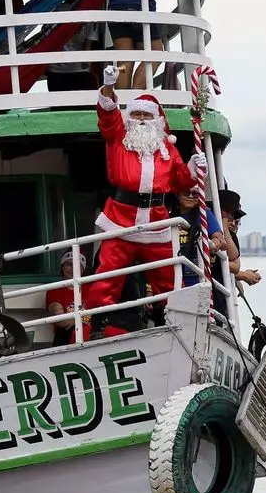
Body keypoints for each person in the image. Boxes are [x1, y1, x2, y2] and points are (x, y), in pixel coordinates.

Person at [81, 68, 197, 335]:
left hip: (156, 221)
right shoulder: (118, 137)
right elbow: (107, 114)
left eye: (147, 115)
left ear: (156, 120)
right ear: (129, 117)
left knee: (167, 279)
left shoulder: (168, 149)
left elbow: (181, 181)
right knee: (106, 277)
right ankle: (95, 325)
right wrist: (108, 86)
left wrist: (191, 168)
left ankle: (168, 323)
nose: (142, 120)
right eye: (136, 114)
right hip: (120, 218)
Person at [43, 247, 85, 346]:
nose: (72, 269)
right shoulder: (54, 290)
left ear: (83, 269)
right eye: (69, 265)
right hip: (65, 336)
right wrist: (83, 319)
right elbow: (61, 321)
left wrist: (73, 320)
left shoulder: (91, 288)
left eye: (77, 265)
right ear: (62, 267)